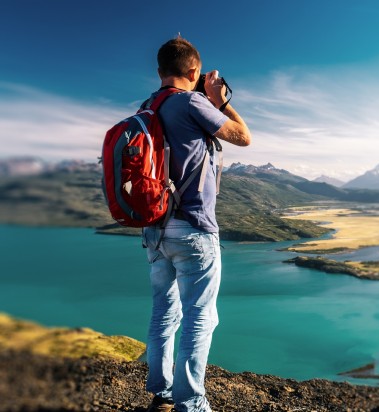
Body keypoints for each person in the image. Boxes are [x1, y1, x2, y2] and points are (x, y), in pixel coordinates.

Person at [142, 37, 250, 412]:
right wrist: (221, 101)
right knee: (200, 315)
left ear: (159, 73)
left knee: (164, 311)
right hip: (193, 228)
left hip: (155, 229)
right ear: (194, 72)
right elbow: (243, 138)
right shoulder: (192, 103)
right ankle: (192, 403)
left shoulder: (148, 106)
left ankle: (163, 391)